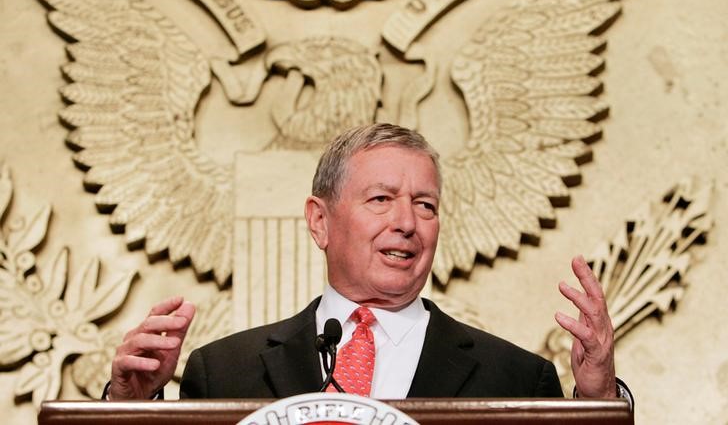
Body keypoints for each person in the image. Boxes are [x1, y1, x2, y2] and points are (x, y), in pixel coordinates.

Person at [107, 123, 627, 402]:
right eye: (381, 199)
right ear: (320, 221)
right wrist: (125, 409)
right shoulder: (223, 372)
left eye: (425, 205)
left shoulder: (516, 378)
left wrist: (598, 400)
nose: (407, 222)